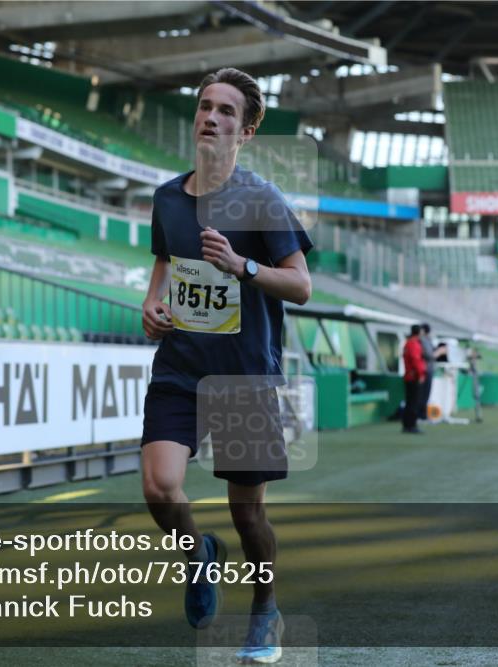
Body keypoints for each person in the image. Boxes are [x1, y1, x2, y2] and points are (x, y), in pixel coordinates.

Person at [139, 67, 313, 664]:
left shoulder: (263, 200)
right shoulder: (167, 198)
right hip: (180, 366)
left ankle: (265, 611)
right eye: (205, 106)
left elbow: (302, 285)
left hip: (243, 374)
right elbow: (163, 267)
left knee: (248, 512)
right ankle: (197, 553)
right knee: (160, 487)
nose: (211, 117)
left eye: (226, 112)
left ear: (247, 131)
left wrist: (244, 267)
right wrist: (151, 303)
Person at [402, 324, 427, 434]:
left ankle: (407, 424)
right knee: (414, 402)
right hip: (414, 376)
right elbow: (416, 360)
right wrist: (421, 374)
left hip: (409, 375)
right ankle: (411, 425)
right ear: (420, 332)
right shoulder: (414, 343)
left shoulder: (408, 342)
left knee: (410, 401)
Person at [418, 323, 435, 422]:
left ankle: (422, 414)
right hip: (424, 370)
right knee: (423, 393)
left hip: (427, 370)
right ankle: (421, 414)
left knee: (426, 393)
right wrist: (439, 352)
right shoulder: (423, 341)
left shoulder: (427, 340)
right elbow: (429, 355)